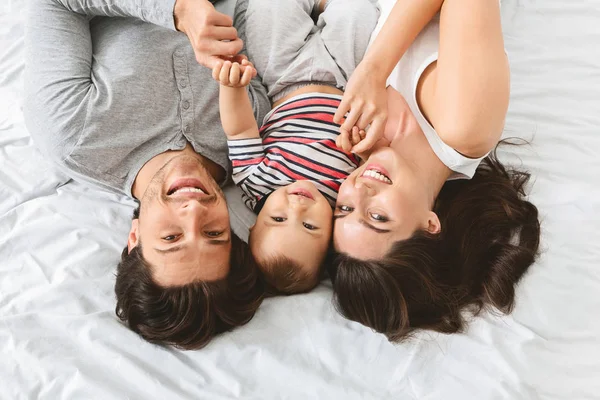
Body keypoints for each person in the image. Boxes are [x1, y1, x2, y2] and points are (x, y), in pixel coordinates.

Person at [23, 0, 269, 349]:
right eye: (214, 232)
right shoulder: (252, 132)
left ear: (134, 237)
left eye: (171, 238)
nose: (194, 211)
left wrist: (177, 9)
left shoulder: (72, 132)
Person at [328, 0, 541, 340]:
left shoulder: (366, 132)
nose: (359, 190)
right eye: (378, 217)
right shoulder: (465, 128)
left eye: (346, 208)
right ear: (430, 226)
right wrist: (372, 71)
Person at [212, 0, 378, 294]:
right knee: (358, 13)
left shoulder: (256, 183)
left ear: (255, 223)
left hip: (284, 78)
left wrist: (232, 88)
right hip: (347, 78)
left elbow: (239, 129)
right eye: (310, 226)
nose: (297, 207)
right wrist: (365, 151)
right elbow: (373, 160)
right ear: (331, 236)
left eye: (278, 219)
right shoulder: (343, 195)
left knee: (268, 9)